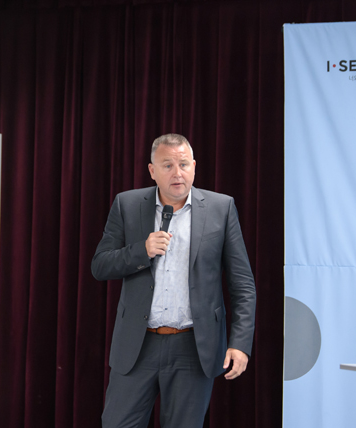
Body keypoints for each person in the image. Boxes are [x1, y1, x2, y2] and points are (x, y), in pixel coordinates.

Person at [91, 134, 256, 428]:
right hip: (138, 345)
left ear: (194, 167)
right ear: (152, 170)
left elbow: (242, 283)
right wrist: (141, 250)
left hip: (193, 347)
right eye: (167, 165)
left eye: (183, 164)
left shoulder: (221, 208)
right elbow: (100, 265)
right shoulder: (127, 204)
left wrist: (240, 343)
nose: (177, 173)